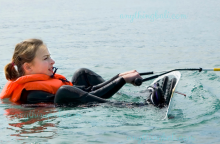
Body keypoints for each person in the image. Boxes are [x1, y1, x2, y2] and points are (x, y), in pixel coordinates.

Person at [0, 39, 167, 107]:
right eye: (45, 58)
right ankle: (141, 106)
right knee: (63, 92)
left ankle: (140, 94)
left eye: (50, 57)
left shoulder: (45, 80)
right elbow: (84, 96)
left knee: (82, 73)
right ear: (28, 68)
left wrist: (119, 77)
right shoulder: (32, 95)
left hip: (82, 98)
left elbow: (86, 92)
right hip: (70, 105)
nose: (52, 62)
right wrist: (121, 80)